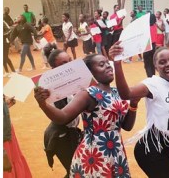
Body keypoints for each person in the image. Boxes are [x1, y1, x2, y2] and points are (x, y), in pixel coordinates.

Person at [33, 46, 138, 177]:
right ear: (90, 72)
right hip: (94, 155)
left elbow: (127, 126)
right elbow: (63, 117)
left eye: (107, 63)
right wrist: (42, 104)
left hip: (115, 151)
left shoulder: (117, 93)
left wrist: (133, 105)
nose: (108, 66)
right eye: (101, 65)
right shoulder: (88, 94)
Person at [119, 47, 169, 177]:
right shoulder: (152, 84)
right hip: (150, 147)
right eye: (162, 62)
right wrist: (117, 63)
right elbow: (126, 94)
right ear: (155, 66)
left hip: (164, 146)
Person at [40, 50, 81, 177]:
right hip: (60, 136)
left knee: (76, 168)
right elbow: (65, 117)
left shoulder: (71, 82)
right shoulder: (51, 89)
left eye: (69, 60)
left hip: (69, 132)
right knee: (74, 170)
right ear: (54, 69)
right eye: (64, 63)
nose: (69, 65)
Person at [3, 96, 32, 177]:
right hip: (4, 138)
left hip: (7, 132)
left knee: (13, 161)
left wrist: (4, 106)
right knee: (8, 166)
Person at [4, 7, 17, 73]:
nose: (7, 11)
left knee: (5, 57)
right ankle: (8, 71)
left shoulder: (3, 21)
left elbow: (9, 30)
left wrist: (3, 34)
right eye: (7, 10)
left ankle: (12, 71)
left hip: (5, 41)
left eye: (8, 10)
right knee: (3, 57)